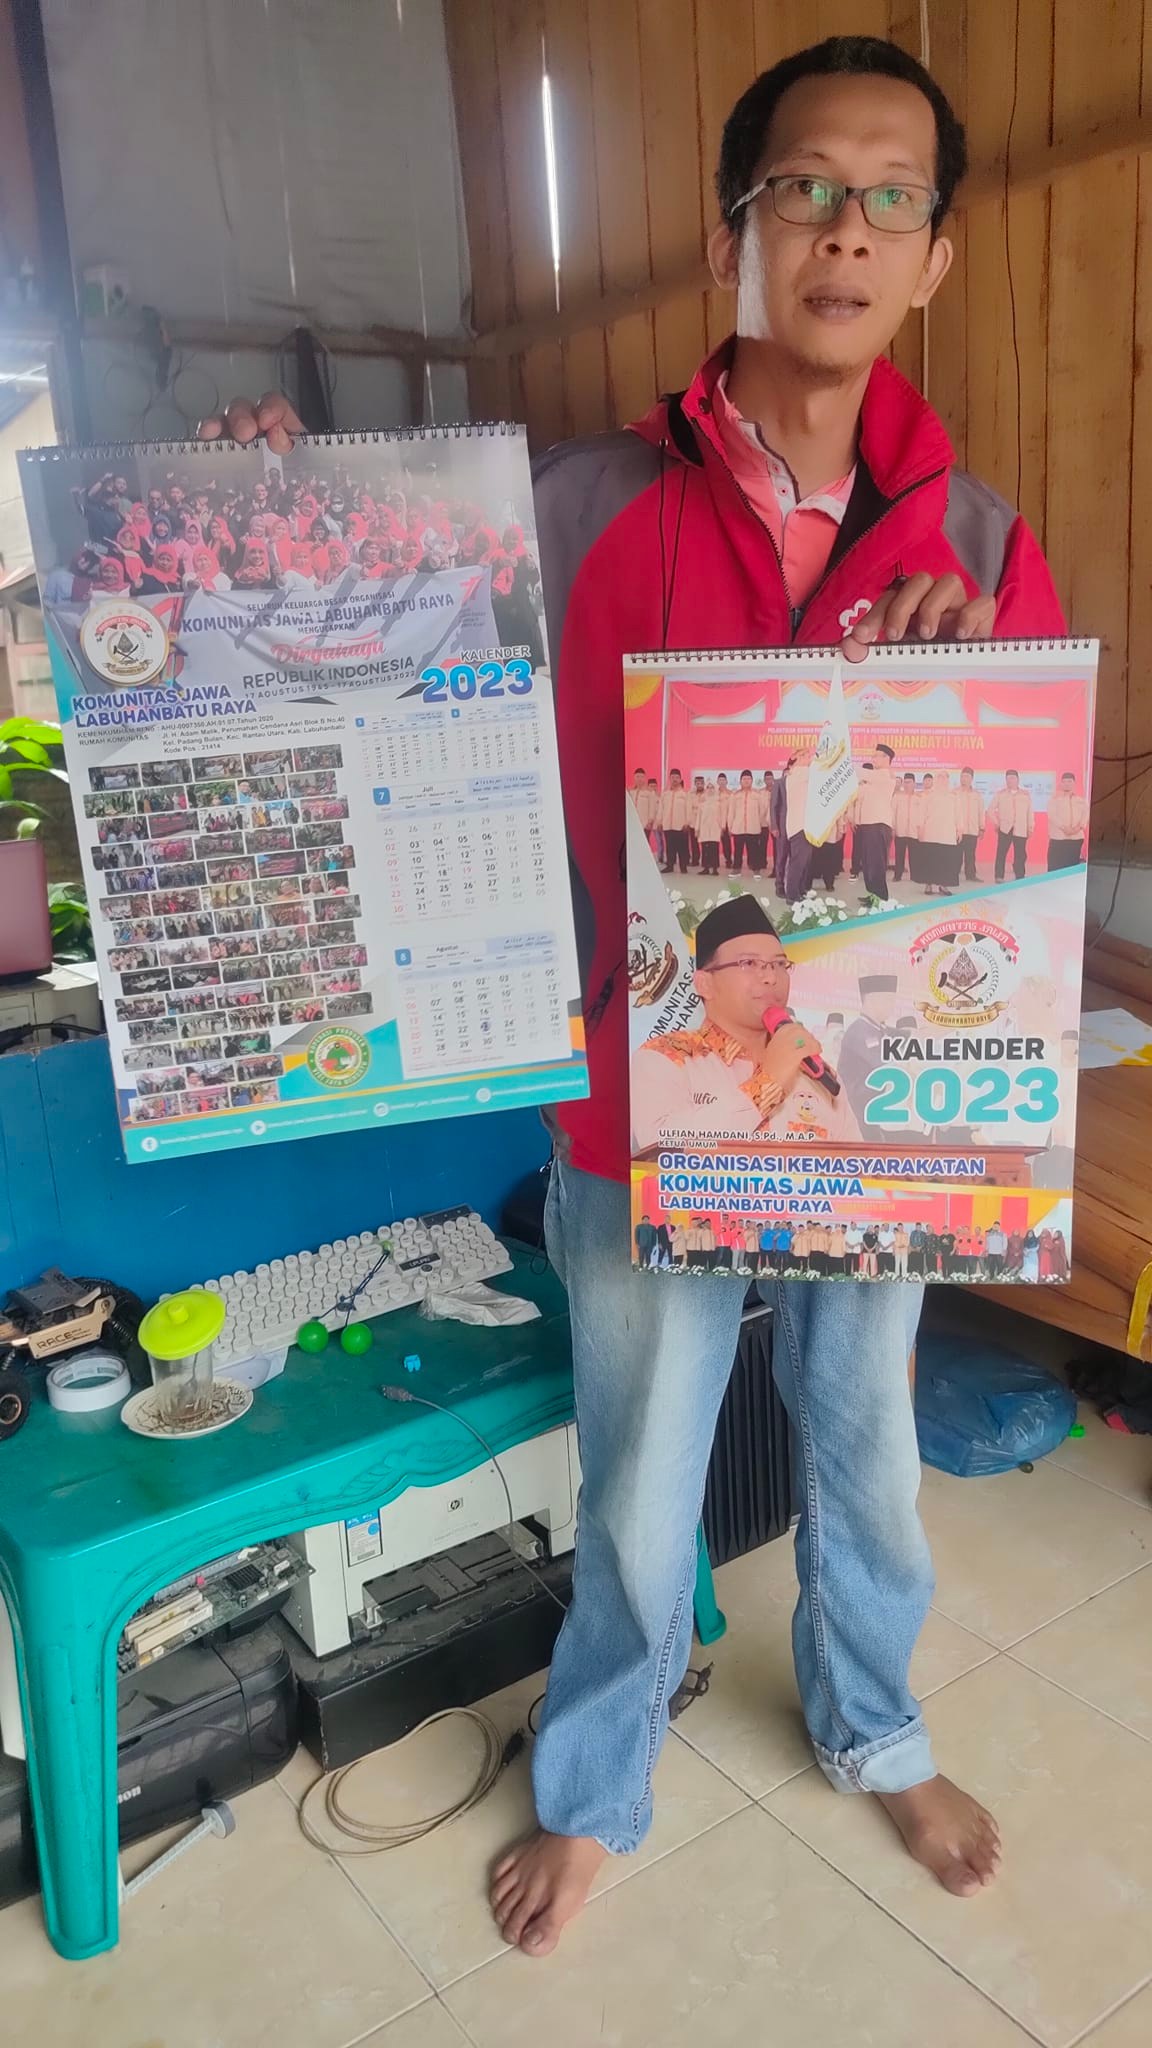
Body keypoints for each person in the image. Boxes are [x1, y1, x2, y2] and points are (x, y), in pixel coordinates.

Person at [203, 32, 1074, 1950]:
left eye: (890, 198)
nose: (844, 230)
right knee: (637, 1468)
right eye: (803, 189)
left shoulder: (982, 545)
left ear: (933, 255)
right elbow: (370, 654)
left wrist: (966, 673)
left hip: (876, 1112)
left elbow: (1005, 845)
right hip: (631, 1090)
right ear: (728, 236)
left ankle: (875, 1723)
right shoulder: (578, 502)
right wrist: (286, 523)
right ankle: (597, 1777)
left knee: (866, 1447)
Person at [631, 896, 859, 1148]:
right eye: (749, 963)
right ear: (704, 983)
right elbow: (663, 1152)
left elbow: (858, 1167)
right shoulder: (665, 1059)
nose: (771, 977)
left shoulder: (817, 1074)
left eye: (779, 964)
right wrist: (768, 1081)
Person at [837, 974, 901, 1130]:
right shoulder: (860, 1031)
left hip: (869, 1113)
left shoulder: (878, 1029)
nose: (892, 1006)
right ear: (872, 999)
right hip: (857, 1115)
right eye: (889, 1000)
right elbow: (884, 1067)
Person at [852, 743, 897, 899]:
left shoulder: (885, 775)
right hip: (867, 825)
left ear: (886, 758)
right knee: (867, 863)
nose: (873, 759)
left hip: (878, 826)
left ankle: (881, 898)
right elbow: (858, 794)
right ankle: (872, 895)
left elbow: (859, 772)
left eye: (876, 756)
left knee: (876, 864)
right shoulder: (872, 779)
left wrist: (841, 763)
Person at [917, 768, 961, 895]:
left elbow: (959, 815)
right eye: (940, 777)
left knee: (946, 861)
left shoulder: (954, 796)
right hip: (931, 833)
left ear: (948, 779)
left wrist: (960, 830)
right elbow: (921, 814)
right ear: (936, 779)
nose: (942, 779)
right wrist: (920, 830)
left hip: (948, 834)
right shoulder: (928, 796)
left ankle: (943, 885)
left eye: (945, 777)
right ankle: (928, 885)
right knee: (930, 860)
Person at [991, 770, 1033, 881]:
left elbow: (1029, 812)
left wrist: (1030, 827)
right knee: (1001, 853)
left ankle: (1020, 876)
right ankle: (999, 876)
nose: (1010, 781)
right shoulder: (1000, 794)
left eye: (1013, 778)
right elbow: (990, 810)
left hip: (1020, 828)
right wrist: (997, 823)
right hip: (1005, 828)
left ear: (1018, 779)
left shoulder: (1025, 794)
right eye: (1008, 779)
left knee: (1020, 854)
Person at [1047, 771, 1089, 870]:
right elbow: (1052, 815)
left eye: (1069, 781)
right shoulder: (1054, 800)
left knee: (1071, 867)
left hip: (1076, 838)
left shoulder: (1081, 801)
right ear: (1061, 783)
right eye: (1064, 781)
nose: (1067, 784)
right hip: (1058, 837)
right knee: (1055, 866)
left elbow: (1085, 815)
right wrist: (1064, 828)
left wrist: (1077, 829)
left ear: (1074, 783)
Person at [728, 768, 764, 873]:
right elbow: (731, 812)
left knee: (753, 850)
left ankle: (755, 868)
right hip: (738, 827)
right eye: (744, 779)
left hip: (753, 827)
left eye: (748, 779)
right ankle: (736, 868)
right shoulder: (735, 795)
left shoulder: (757, 795)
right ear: (740, 781)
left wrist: (759, 823)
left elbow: (762, 811)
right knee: (738, 850)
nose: (746, 781)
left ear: (752, 781)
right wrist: (730, 826)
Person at [659, 769, 692, 873]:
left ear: (680, 779)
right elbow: (661, 809)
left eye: (677, 777)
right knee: (670, 847)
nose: (675, 780)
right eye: (673, 777)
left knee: (682, 847)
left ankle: (683, 867)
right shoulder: (665, 794)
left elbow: (689, 809)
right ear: (669, 779)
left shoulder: (685, 794)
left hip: (681, 825)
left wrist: (687, 822)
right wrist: (659, 821)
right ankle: (670, 866)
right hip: (668, 825)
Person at [956, 766, 985, 882]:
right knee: (956, 854)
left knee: (971, 854)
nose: (964, 779)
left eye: (966, 777)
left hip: (972, 829)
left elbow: (981, 812)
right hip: (958, 830)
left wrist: (982, 827)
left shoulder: (977, 795)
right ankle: (953, 875)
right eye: (962, 776)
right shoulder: (955, 793)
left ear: (972, 779)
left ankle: (971, 875)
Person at [693, 778, 724, 874]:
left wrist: (722, 827)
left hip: (715, 828)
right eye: (708, 787)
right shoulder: (702, 803)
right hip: (704, 829)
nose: (710, 789)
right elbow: (699, 817)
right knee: (705, 849)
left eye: (712, 787)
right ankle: (706, 868)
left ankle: (714, 869)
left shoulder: (718, 803)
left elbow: (722, 816)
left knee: (714, 848)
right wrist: (697, 829)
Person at [892, 770, 918, 881]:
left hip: (914, 832)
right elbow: (892, 813)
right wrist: (893, 827)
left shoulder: (919, 797)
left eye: (909, 782)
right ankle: (897, 876)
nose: (907, 785)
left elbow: (922, 815)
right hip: (900, 831)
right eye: (905, 782)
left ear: (914, 783)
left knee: (915, 855)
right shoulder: (897, 796)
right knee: (899, 855)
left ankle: (915, 876)